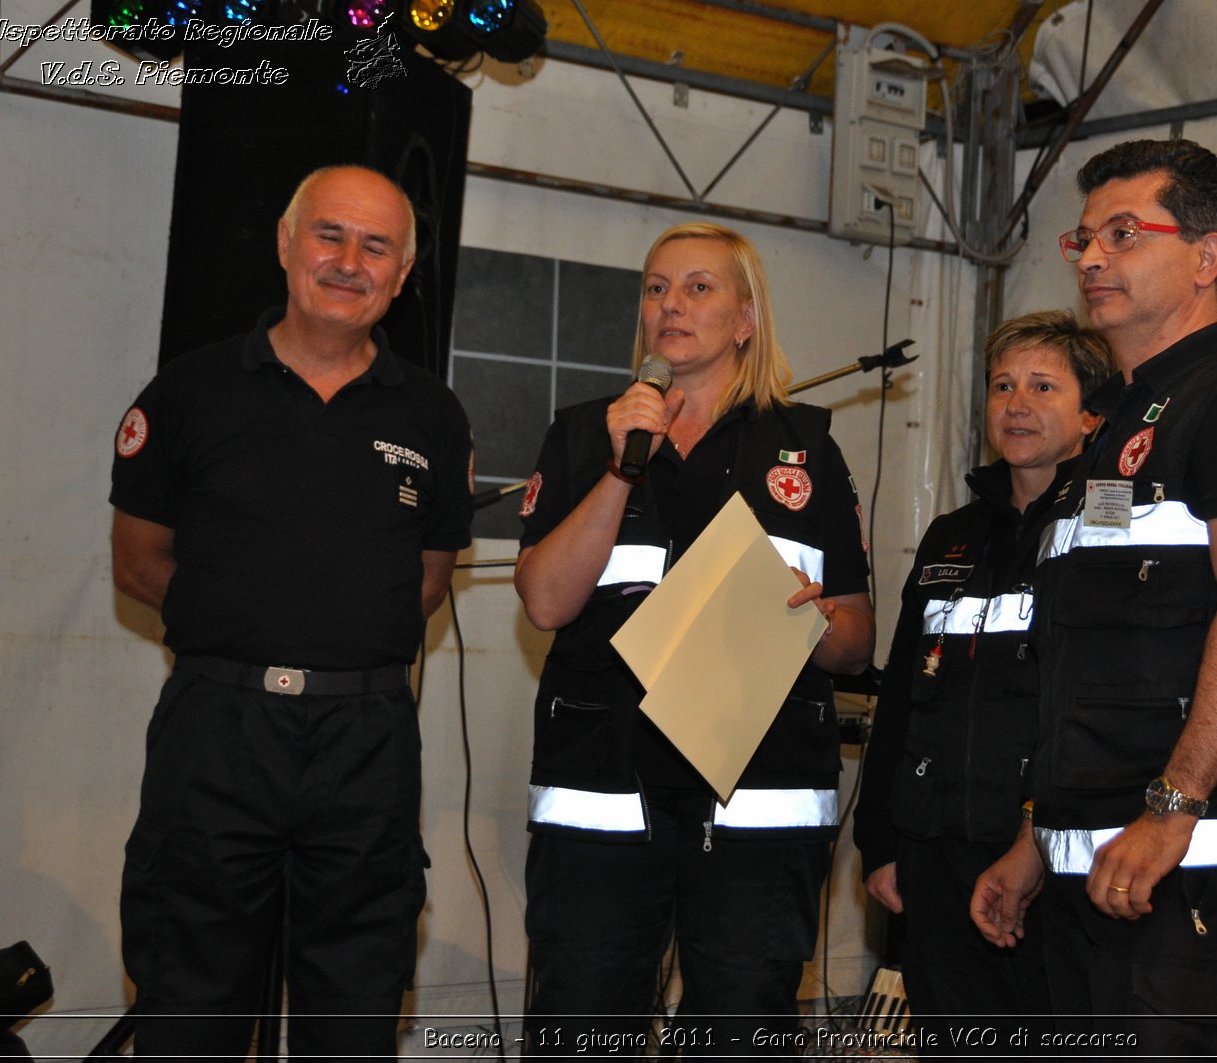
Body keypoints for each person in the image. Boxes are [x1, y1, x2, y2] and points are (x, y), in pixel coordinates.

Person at [971, 139, 1217, 1056]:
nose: (1093, 258)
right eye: (1084, 238)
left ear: (1207, 259)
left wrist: (1175, 805)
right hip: (1087, 865)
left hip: (1189, 861)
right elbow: (1086, 657)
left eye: (1125, 235)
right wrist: (1034, 840)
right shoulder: (1111, 433)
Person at [110, 165, 474, 1059]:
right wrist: (253, 628)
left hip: (368, 746)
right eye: (329, 235)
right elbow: (138, 563)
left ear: (402, 273)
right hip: (215, 735)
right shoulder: (186, 393)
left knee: (351, 1020)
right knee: (189, 1013)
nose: (349, 262)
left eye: (376, 246)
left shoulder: (434, 415)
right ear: (285, 243)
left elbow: (426, 579)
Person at [513, 222, 874, 1054]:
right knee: (581, 1026)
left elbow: (856, 640)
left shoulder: (806, 447)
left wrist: (813, 621)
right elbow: (542, 600)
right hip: (605, 791)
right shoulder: (583, 433)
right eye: (656, 288)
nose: (671, 304)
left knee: (742, 1029)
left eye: (698, 287)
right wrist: (618, 467)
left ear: (746, 318)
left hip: (756, 797)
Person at [854, 311, 1113, 1047]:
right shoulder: (951, 537)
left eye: (1041, 385)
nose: (1016, 403)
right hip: (936, 852)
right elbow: (902, 692)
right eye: (1002, 385)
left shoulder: (1109, 530)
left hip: (1046, 860)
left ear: (1092, 415)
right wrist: (880, 842)